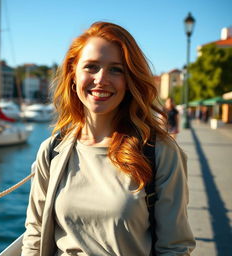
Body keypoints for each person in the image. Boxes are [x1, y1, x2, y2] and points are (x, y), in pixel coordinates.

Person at [22, 21, 195, 256]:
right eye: (91, 67)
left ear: (130, 79)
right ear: (73, 74)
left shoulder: (160, 152)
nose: (101, 79)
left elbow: (174, 248)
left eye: (116, 69)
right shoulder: (52, 150)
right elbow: (35, 235)